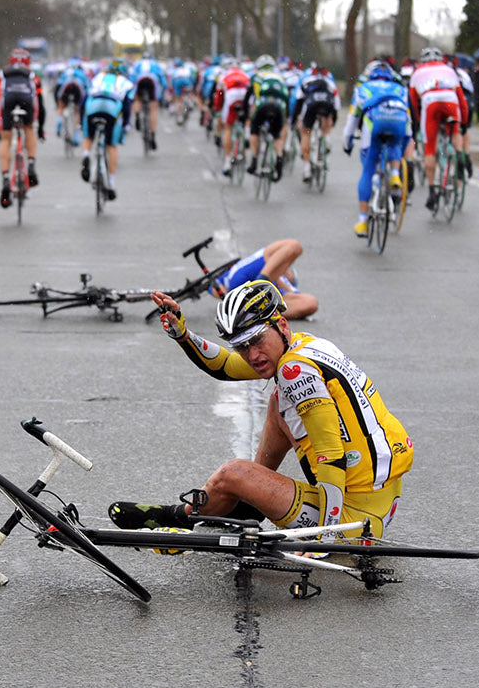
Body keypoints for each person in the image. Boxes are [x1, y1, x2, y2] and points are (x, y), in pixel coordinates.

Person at [109, 281, 411, 541]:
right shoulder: (304, 345)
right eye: (242, 346)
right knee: (279, 403)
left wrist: (325, 537)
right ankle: (249, 504)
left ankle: (181, 516)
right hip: (379, 500)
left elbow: (331, 457)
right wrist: (183, 334)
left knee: (233, 473)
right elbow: (225, 366)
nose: (252, 355)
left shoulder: (295, 371)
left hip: (352, 521)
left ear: (281, 325)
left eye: (256, 340)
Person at [341, 62, 413, 237]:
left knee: (368, 170)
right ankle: (394, 173)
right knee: (394, 144)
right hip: (398, 121)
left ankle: (362, 221)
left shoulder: (363, 88)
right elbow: (408, 123)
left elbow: (352, 120)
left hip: (375, 123)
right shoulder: (400, 89)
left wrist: (347, 144)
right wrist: (403, 148)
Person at [409, 46, 471, 202]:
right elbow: (462, 101)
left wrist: (416, 123)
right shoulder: (449, 70)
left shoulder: (417, 72)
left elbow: (413, 103)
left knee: (430, 147)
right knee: (455, 132)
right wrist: (463, 124)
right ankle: (458, 154)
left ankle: (432, 190)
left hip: (430, 101)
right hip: (450, 99)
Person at [0, 48, 47, 208]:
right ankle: (31, 165)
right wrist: (40, 129)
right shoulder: (32, 75)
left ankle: (5, 179)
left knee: (6, 140)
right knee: (29, 129)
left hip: (7, 101)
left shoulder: (2, 74)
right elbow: (40, 105)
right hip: (26, 101)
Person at [211, 238, 318, 319]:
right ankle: (262, 279)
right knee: (295, 246)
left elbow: (296, 297)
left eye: (292, 278)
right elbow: (212, 283)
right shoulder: (268, 259)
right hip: (248, 278)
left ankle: (260, 312)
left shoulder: (283, 282)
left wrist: (228, 299)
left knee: (312, 303)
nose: (289, 274)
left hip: (256, 297)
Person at [78, 58, 136, 201]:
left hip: (93, 106)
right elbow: (127, 107)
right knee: (111, 146)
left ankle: (86, 154)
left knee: (88, 137)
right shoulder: (126, 82)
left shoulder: (97, 78)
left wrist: (81, 120)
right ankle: (111, 182)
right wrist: (126, 125)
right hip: (112, 109)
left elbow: (83, 100)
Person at [243, 55, 290, 182]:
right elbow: (286, 96)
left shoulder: (256, 76)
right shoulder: (280, 76)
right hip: (278, 107)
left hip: (262, 106)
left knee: (254, 131)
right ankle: (279, 158)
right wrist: (286, 116)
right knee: (277, 135)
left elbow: (248, 97)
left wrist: (246, 115)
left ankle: (254, 161)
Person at [294, 65, 338, 185]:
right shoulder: (330, 82)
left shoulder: (306, 81)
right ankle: (326, 139)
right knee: (326, 123)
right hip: (327, 106)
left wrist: (296, 117)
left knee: (306, 133)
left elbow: (299, 100)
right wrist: (333, 120)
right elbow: (336, 103)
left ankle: (307, 168)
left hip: (311, 107)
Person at [215, 58, 251, 176]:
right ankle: (246, 133)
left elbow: (219, 94)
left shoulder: (223, 75)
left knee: (228, 128)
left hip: (231, 97)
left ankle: (227, 162)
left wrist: (218, 108)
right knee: (246, 118)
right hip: (245, 96)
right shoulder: (245, 74)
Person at [131, 52, 168, 147]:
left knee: (137, 99)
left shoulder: (137, 63)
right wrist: (162, 93)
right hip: (152, 81)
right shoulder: (155, 63)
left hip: (140, 80)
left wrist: (132, 92)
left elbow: (132, 78)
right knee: (153, 110)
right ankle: (153, 135)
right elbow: (162, 79)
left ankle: (137, 116)